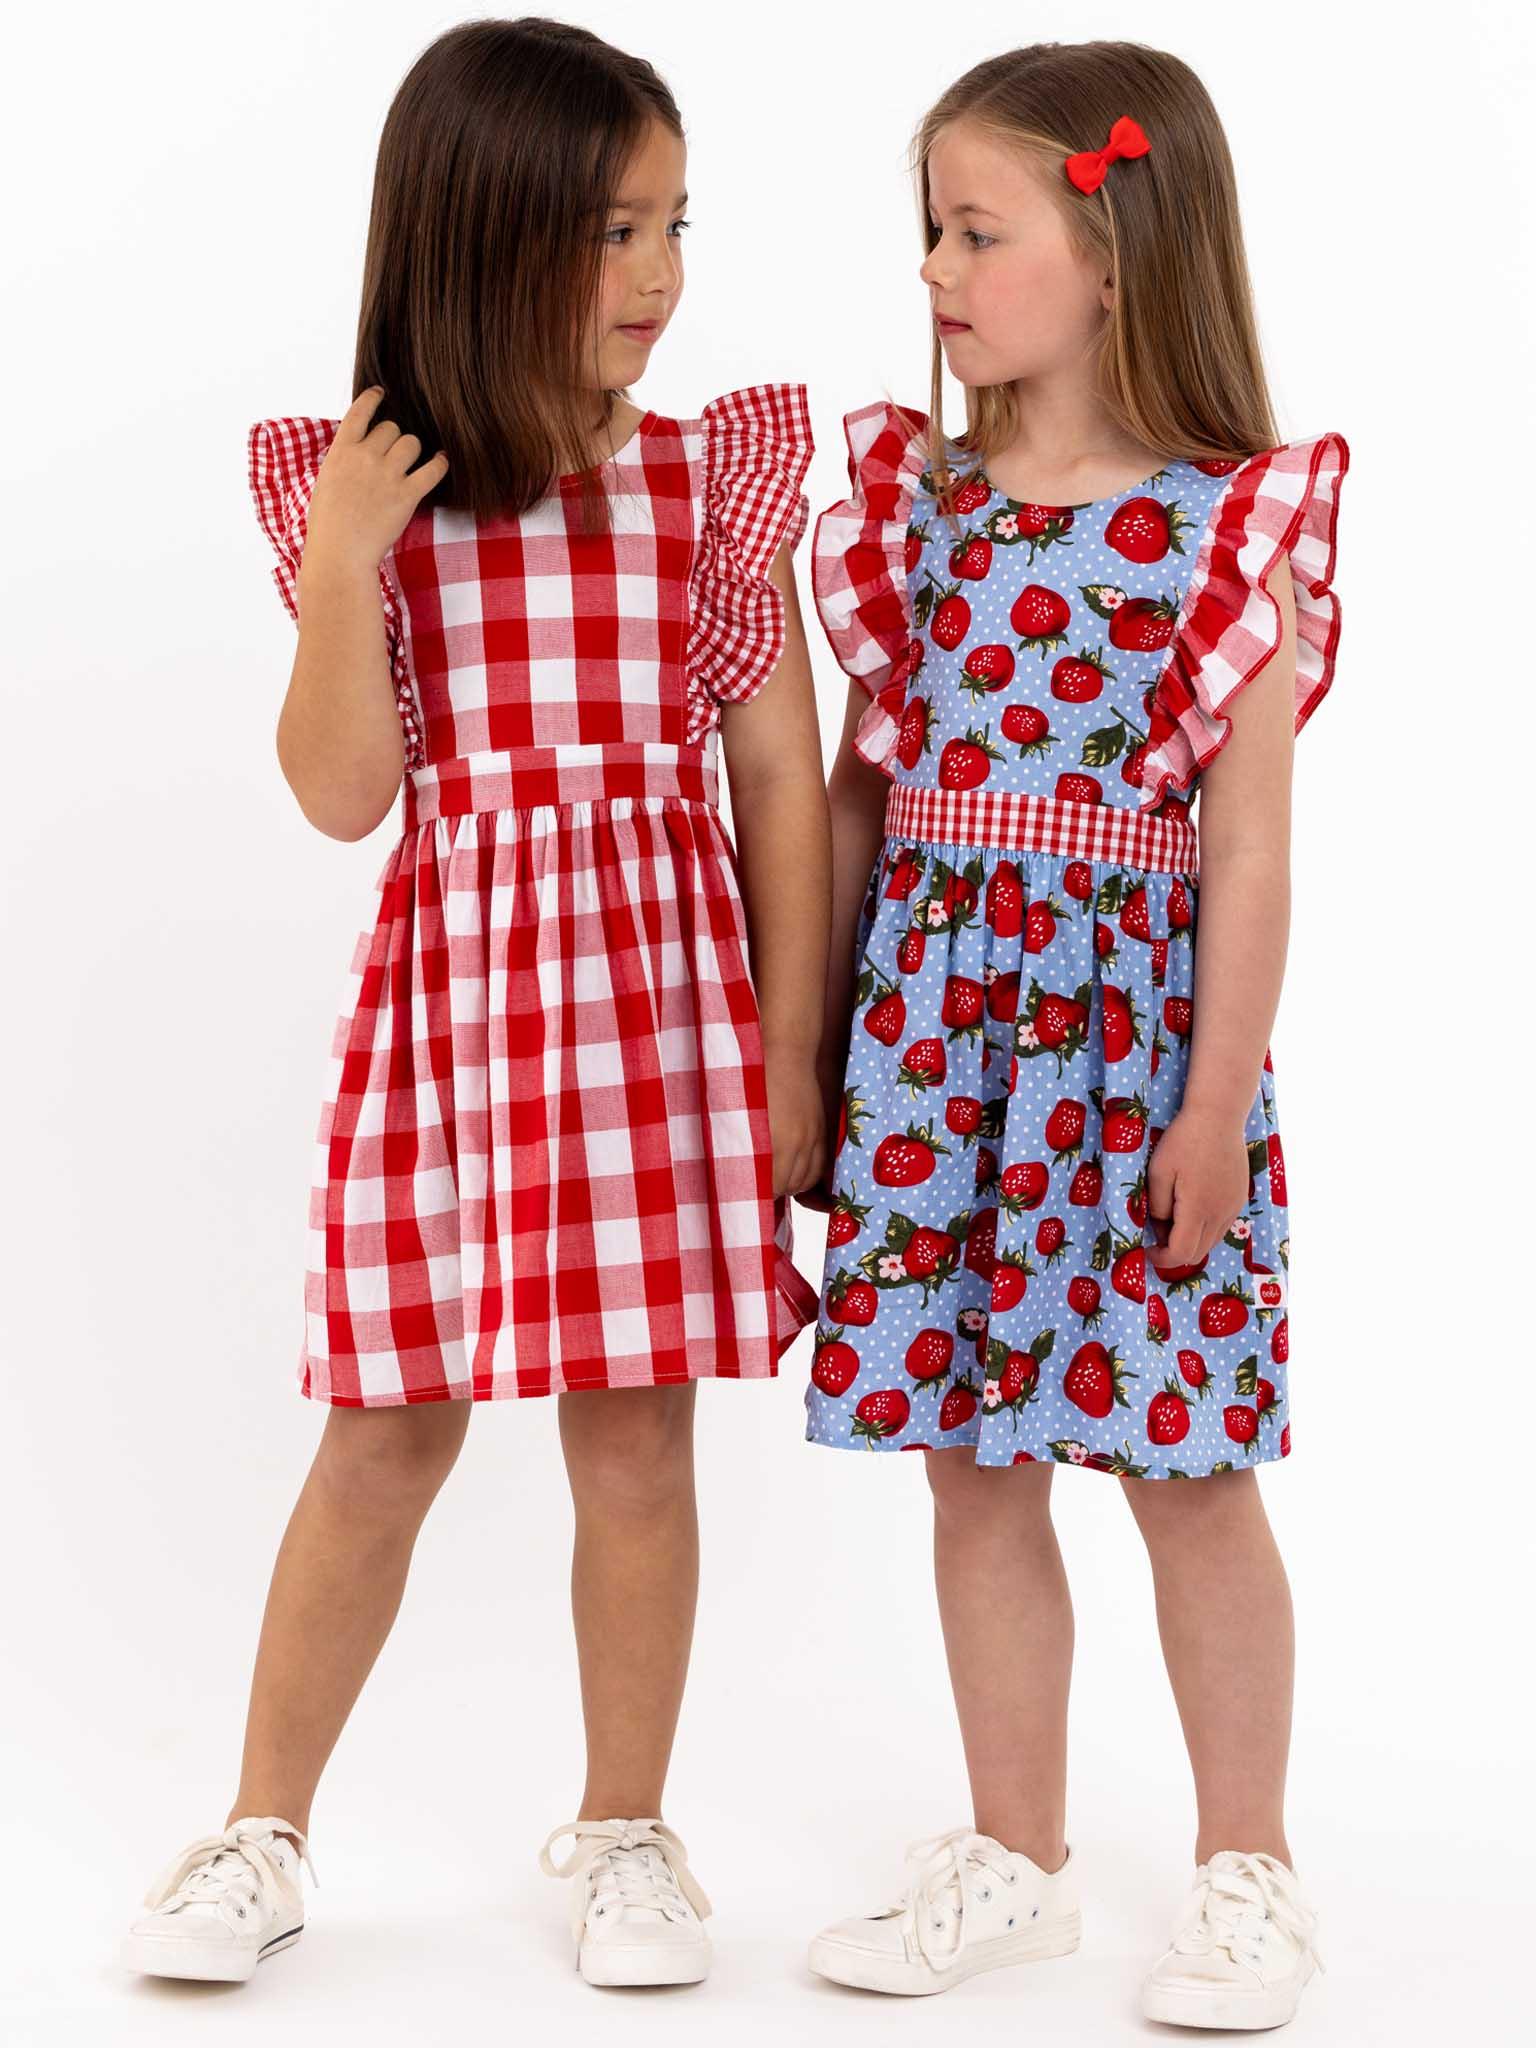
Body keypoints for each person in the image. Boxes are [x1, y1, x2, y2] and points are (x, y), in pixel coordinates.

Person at [121, 17, 827, 1992]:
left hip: (660, 1023)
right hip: (458, 1030)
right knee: (381, 1437)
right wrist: (347, 558)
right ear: (481, 234)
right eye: (617, 231)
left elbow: (777, 776)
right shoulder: (371, 496)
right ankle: (258, 1826)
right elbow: (347, 794)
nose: (664, 275)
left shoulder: (712, 484)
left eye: (678, 223)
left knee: (634, 1435)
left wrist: (789, 1050)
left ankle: (626, 1824)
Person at [799, 38, 1345, 2031]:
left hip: (1131, 1070)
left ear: (1110, 253)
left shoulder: (1223, 538)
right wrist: (814, 1060)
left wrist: (1213, 1101)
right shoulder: (917, 513)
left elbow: (1254, 859)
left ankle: (1249, 1864)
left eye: (976, 228)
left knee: (1183, 1466)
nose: (936, 269)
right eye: (927, 230)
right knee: (970, 1461)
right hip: (943, 1067)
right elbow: (868, 796)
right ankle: (1015, 1853)